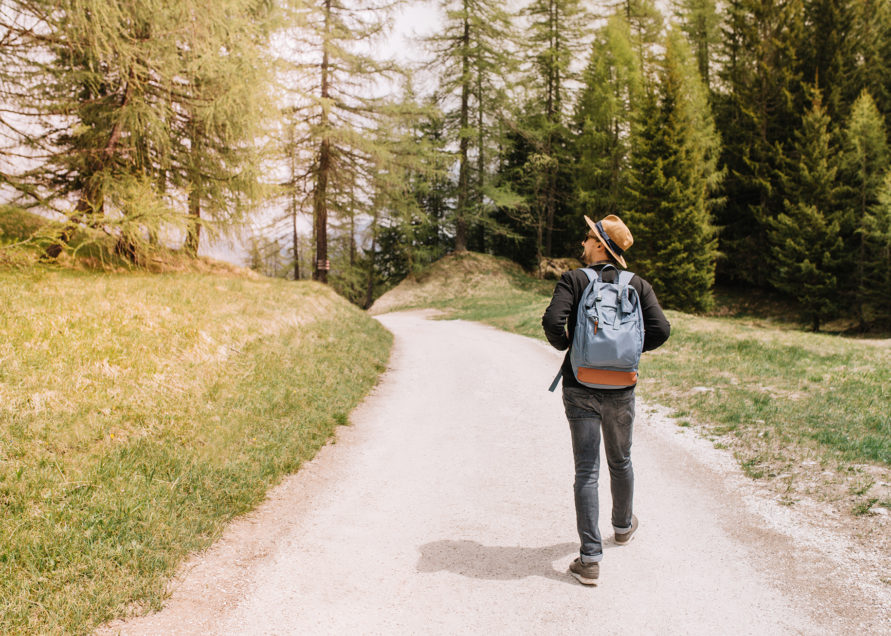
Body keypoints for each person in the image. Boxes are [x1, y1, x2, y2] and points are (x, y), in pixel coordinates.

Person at [541, 214, 671, 586]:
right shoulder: (638, 284)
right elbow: (661, 329)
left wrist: (571, 348)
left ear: (600, 245)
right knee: (621, 459)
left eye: (588, 237)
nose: (583, 242)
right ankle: (623, 526)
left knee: (587, 471)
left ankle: (590, 559)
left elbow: (553, 321)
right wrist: (626, 352)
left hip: (580, 385)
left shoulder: (575, 279)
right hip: (622, 387)